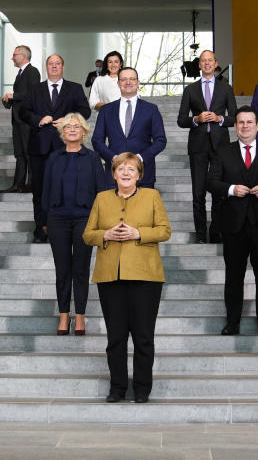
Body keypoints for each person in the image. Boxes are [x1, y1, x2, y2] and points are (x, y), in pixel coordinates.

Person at [83, 153, 171, 403]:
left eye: (131, 169)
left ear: (139, 175)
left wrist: (138, 232)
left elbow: (165, 230)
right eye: (121, 168)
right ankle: (117, 388)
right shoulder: (101, 199)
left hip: (146, 276)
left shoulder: (151, 196)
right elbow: (88, 234)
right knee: (116, 337)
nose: (125, 173)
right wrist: (106, 234)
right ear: (113, 174)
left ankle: (142, 389)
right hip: (110, 276)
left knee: (143, 336)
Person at [207, 107, 258, 336]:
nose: (245, 126)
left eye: (249, 122)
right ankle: (232, 322)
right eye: (240, 122)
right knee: (233, 276)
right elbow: (211, 182)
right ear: (235, 126)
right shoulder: (224, 152)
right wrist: (231, 189)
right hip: (233, 225)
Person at [42, 114, 106, 336]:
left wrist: (99, 223)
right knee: (62, 270)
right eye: (67, 127)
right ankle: (63, 315)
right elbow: (46, 190)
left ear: (84, 132)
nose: (71, 130)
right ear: (62, 132)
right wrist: (44, 220)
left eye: (76, 127)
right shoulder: (54, 157)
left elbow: (102, 193)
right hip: (57, 219)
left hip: (84, 220)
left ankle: (80, 316)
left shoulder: (92, 158)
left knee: (80, 269)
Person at [21, 54, 91, 243]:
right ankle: (40, 231)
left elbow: (86, 111)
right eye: (50, 64)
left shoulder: (74, 88)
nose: (54, 66)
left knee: (66, 188)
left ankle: (63, 231)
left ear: (63, 67)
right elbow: (23, 112)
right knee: (39, 191)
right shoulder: (35, 89)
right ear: (46, 67)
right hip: (39, 148)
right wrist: (38, 119)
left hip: (67, 146)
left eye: (57, 63)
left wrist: (69, 118)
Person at [177, 49, 237, 244]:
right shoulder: (190, 89)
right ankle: (201, 235)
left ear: (216, 63)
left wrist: (220, 118)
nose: (207, 63)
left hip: (221, 146)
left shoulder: (226, 89)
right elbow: (181, 120)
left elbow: (235, 117)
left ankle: (216, 232)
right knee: (198, 193)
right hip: (198, 146)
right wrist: (196, 118)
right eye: (203, 61)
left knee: (220, 190)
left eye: (210, 60)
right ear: (200, 65)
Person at [91, 67, 167, 188]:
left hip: (144, 173)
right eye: (124, 79)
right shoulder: (106, 110)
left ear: (138, 82)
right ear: (118, 83)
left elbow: (161, 140)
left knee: (143, 207)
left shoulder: (151, 109)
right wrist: (113, 158)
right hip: (114, 174)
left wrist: (140, 158)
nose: (128, 82)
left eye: (132, 79)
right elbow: (96, 140)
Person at [1, 45, 41, 193]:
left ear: (23, 56)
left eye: (14, 55)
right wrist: (8, 100)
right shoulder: (21, 73)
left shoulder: (32, 71)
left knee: (28, 153)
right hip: (18, 120)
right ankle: (18, 185)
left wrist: (14, 95)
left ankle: (30, 184)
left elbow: (34, 94)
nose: (12, 58)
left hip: (26, 120)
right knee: (19, 154)